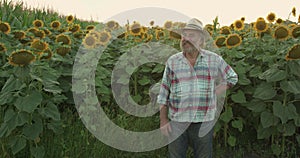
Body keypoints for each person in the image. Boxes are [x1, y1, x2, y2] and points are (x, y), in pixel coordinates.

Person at [157, 18, 238, 158]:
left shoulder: (213, 59)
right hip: (177, 122)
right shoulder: (173, 61)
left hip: (204, 121)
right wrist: (163, 120)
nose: (186, 39)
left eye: (191, 35)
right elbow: (164, 92)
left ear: (201, 39)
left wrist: (216, 91)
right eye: (184, 35)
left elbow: (232, 77)